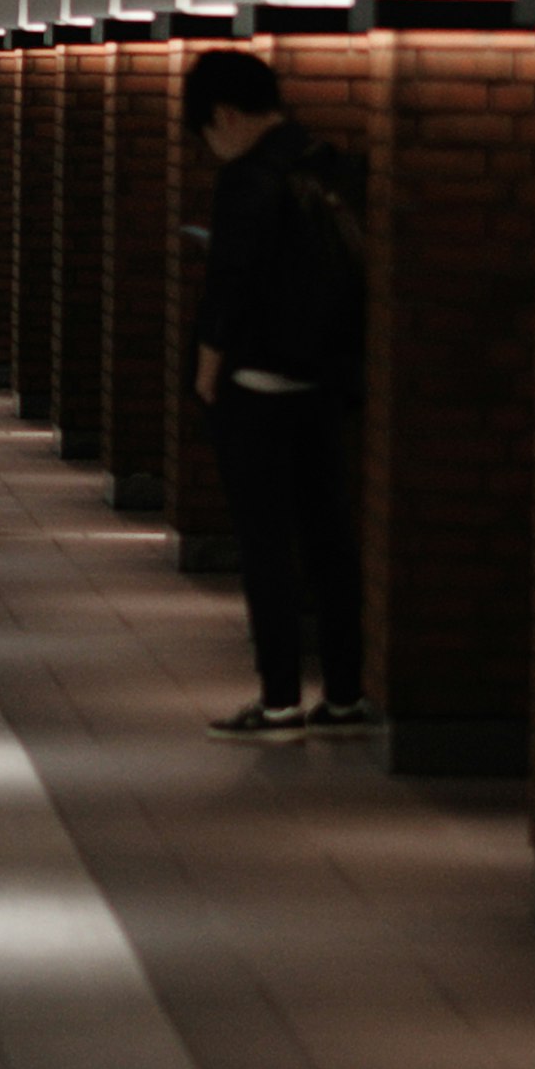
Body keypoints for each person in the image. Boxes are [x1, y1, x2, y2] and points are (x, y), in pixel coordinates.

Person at [186, 51, 372, 739]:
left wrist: (207, 374)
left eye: (208, 134)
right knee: (330, 537)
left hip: (257, 385)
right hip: (325, 380)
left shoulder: (245, 181)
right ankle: (347, 691)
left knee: (267, 544)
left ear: (226, 116)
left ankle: (281, 698)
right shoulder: (328, 163)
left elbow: (227, 287)